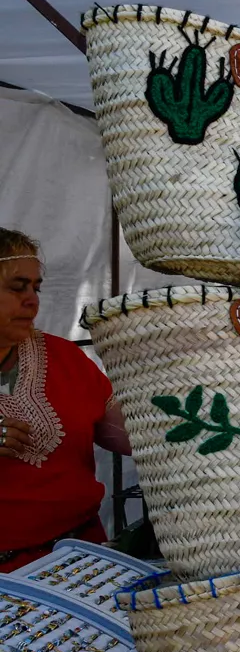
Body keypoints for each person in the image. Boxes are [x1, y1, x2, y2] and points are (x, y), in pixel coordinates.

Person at [0, 228, 133, 572]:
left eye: (36, 287)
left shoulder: (62, 357)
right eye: (17, 287)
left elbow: (133, 433)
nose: (32, 299)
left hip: (82, 563)